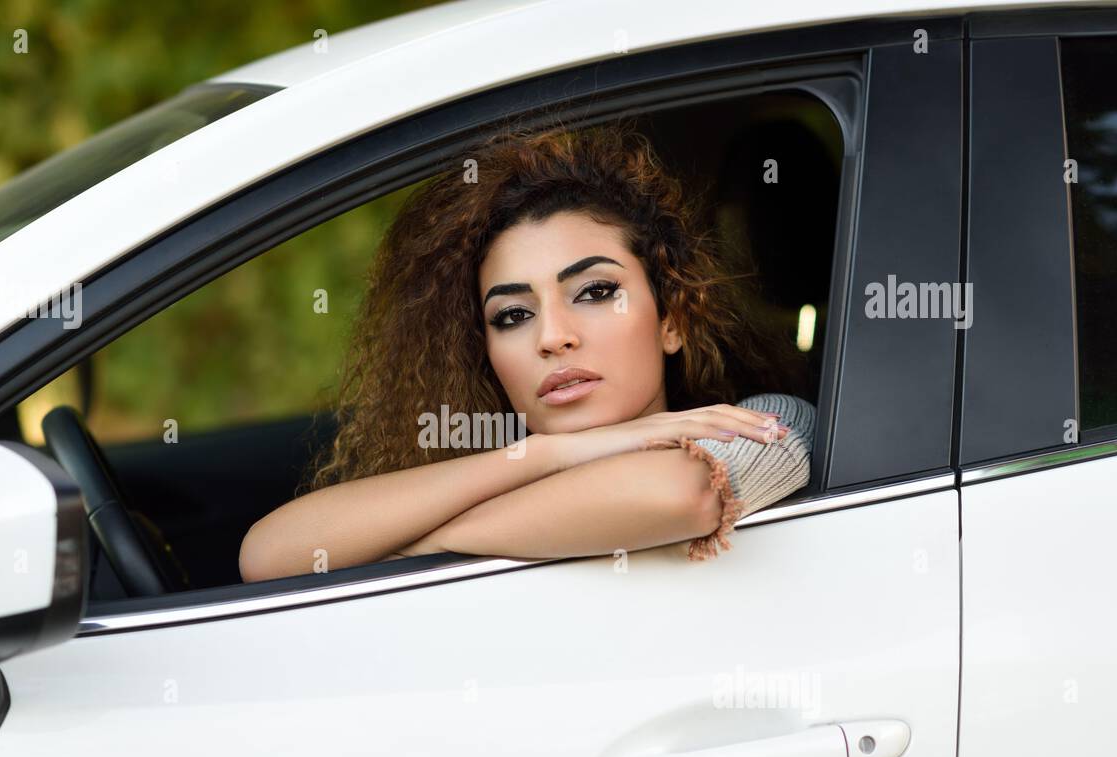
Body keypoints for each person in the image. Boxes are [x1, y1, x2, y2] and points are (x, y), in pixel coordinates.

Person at [239, 119, 815, 583]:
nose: (551, 336)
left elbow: (679, 494)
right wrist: (545, 454)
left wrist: (423, 544)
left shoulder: (769, 420)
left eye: (595, 292)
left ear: (673, 320)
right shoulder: (500, 468)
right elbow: (269, 554)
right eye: (513, 315)